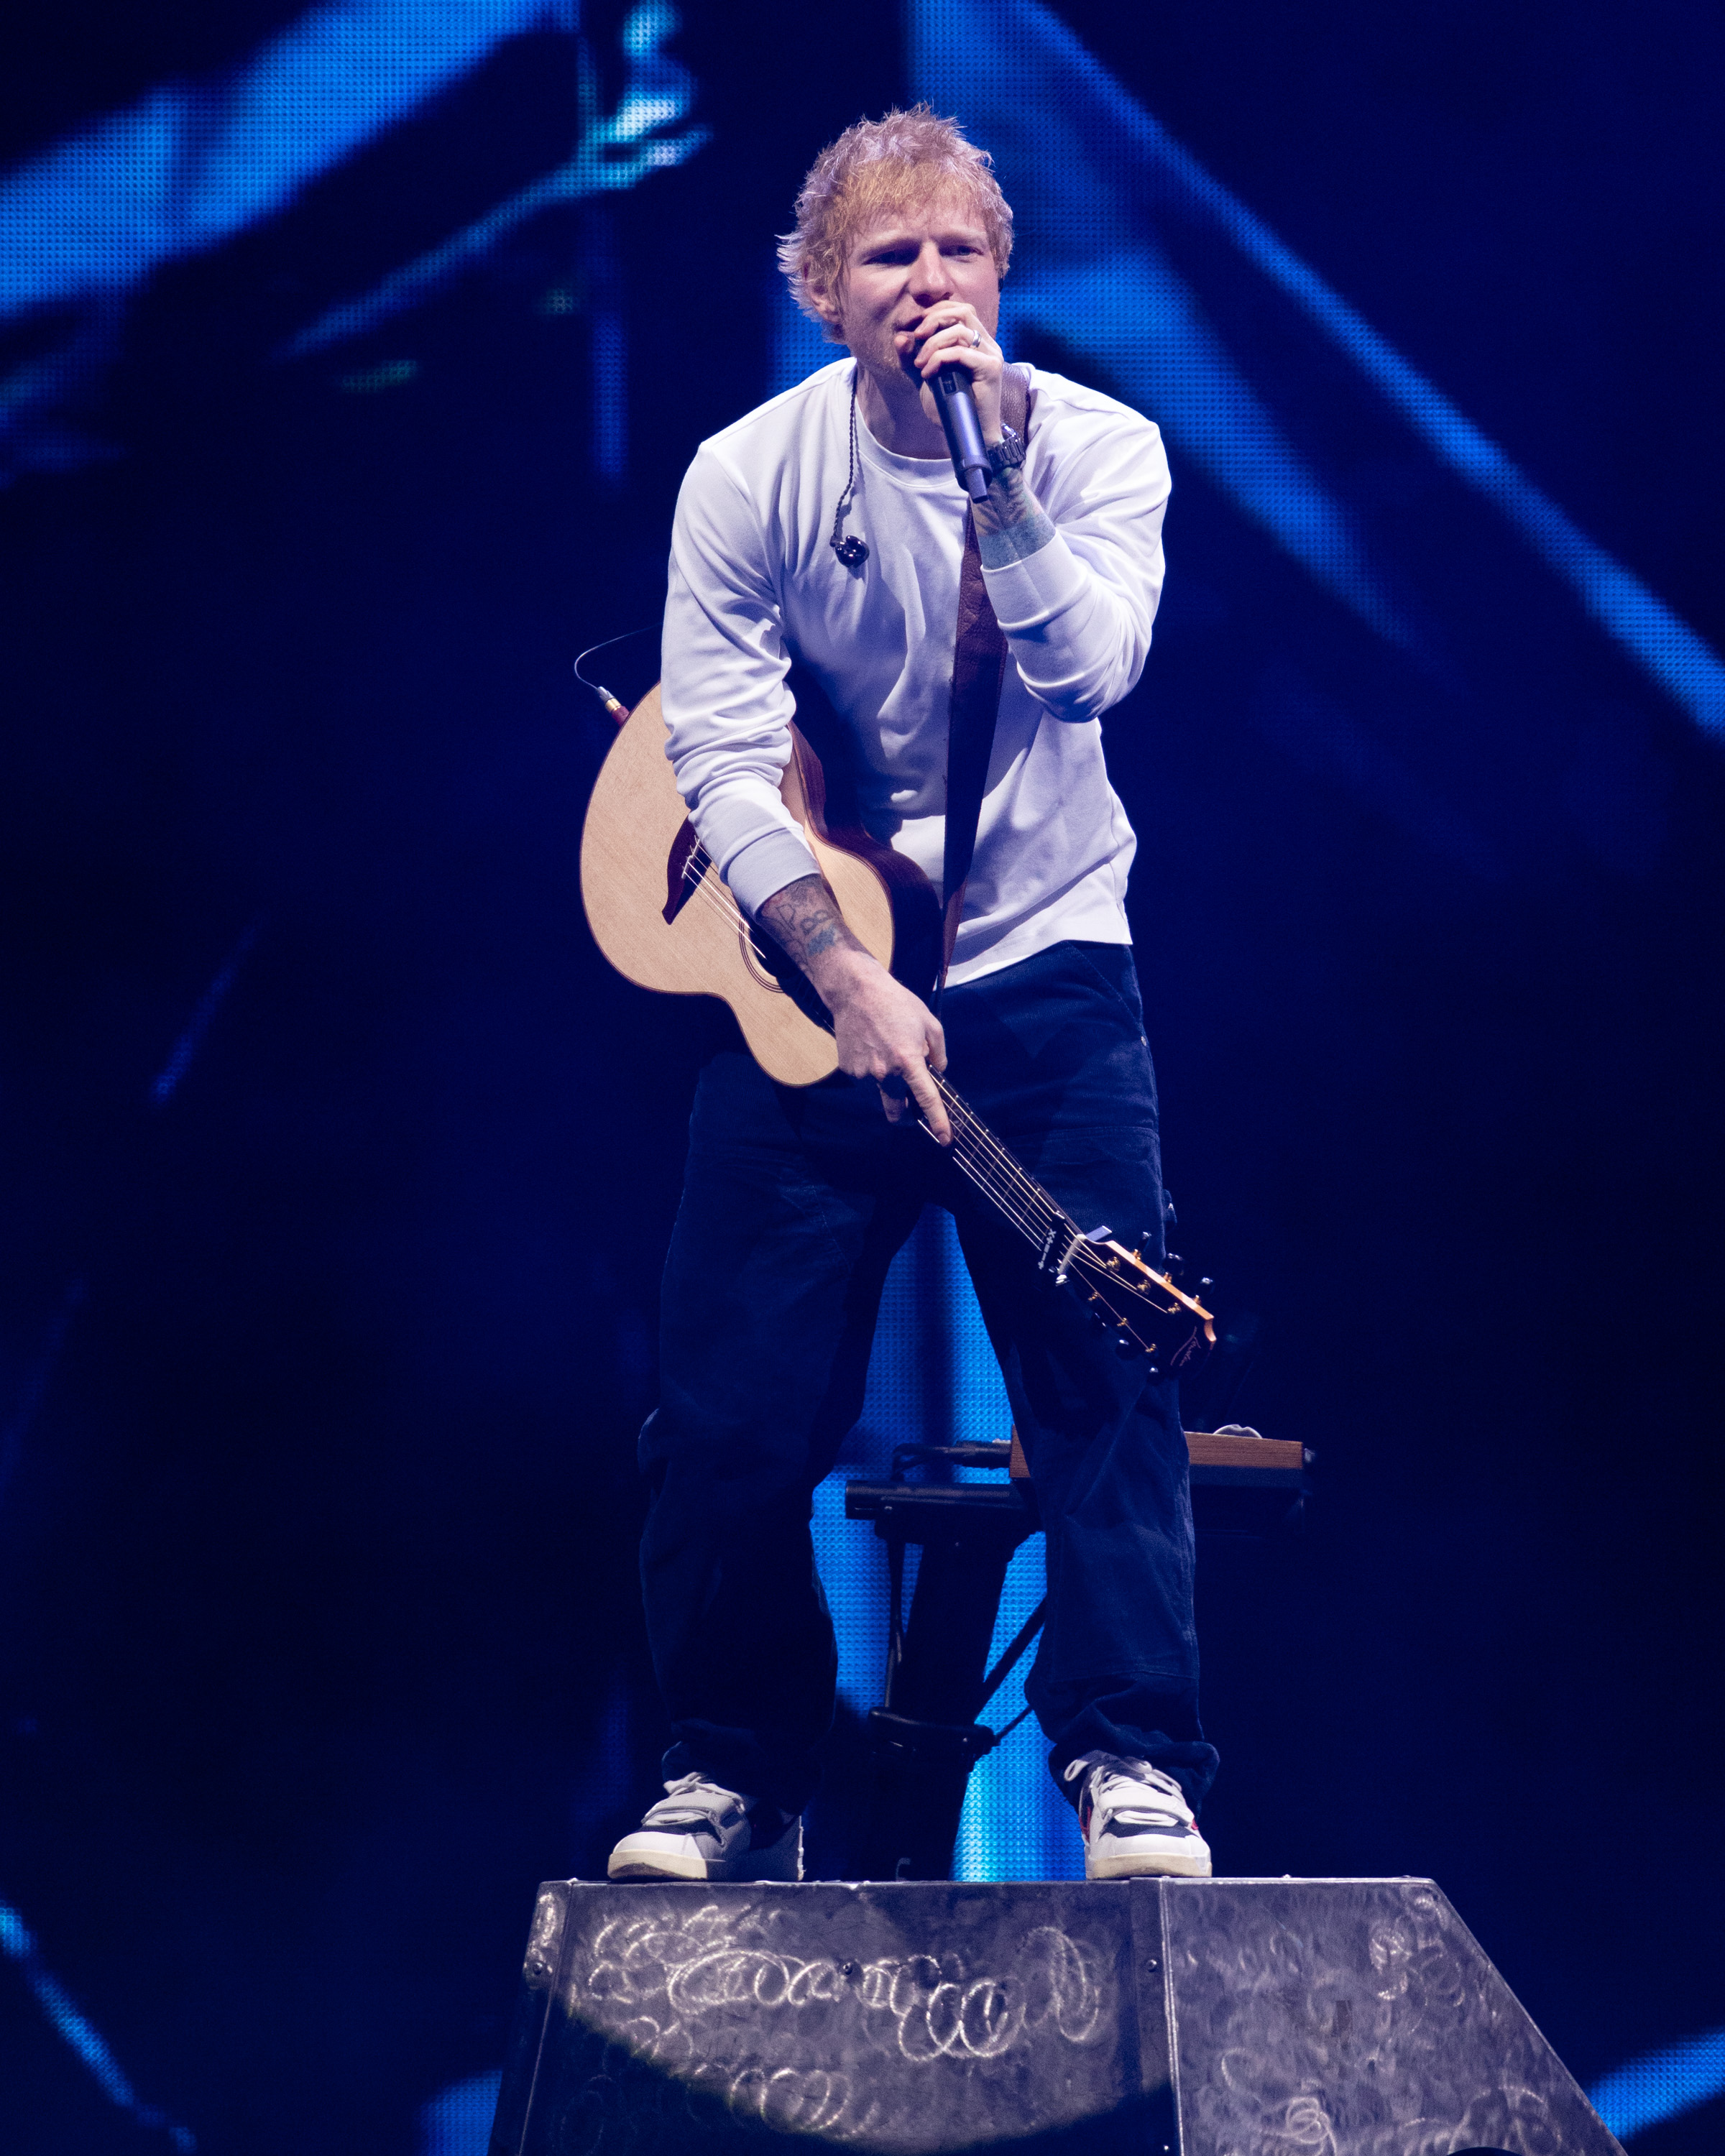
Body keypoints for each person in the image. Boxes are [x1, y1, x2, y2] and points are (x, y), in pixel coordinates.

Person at [607, 107, 1217, 1886]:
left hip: (1045, 961)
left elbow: (1088, 670)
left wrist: (991, 478)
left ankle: (1128, 1759)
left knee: (1103, 1378)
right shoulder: (748, 475)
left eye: (959, 252)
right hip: (815, 985)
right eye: (890, 255)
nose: (929, 282)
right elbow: (719, 762)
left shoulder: (1100, 449)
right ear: (824, 290)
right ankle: (736, 1769)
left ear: (1001, 275)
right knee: (728, 1414)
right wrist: (844, 975)